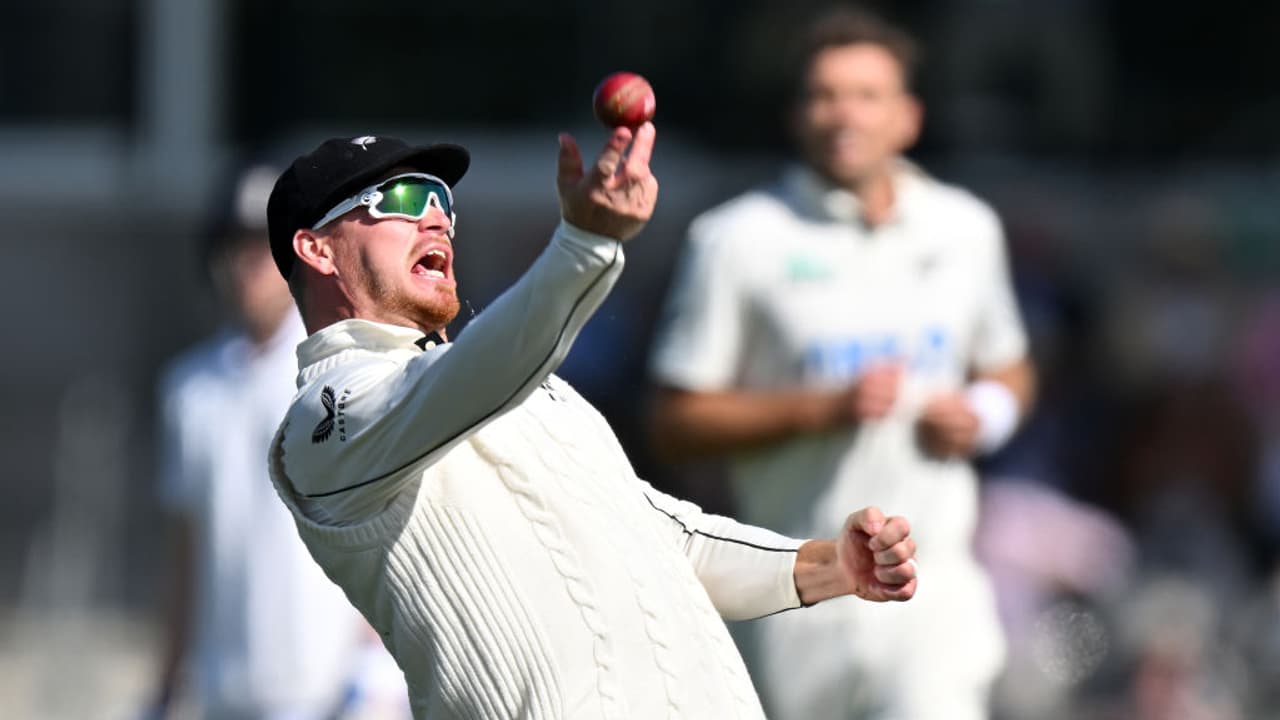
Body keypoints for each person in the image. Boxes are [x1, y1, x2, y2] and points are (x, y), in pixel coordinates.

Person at [261, 125, 919, 719]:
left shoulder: (527, 387)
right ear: (316, 248)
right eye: (401, 201)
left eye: (442, 202)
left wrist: (834, 567)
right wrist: (585, 242)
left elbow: (673, 540)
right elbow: (457, 384)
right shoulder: (322, 426)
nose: (436, 218)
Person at [646, 7, 1035, 720]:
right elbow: (674, 420)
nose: (842, 114)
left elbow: (1010, 367)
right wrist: (817, 409)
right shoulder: (736, 239)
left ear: (908, 117)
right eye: (824, 95)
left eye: (865, 95)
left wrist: (982, 415)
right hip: (798, 586)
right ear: (798, 115)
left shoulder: (964, 228)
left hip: (933, 591)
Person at [150, 166, 409, 720]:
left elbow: (380, 518)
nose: (247, 267)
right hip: (227, 691)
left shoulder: (345, 368)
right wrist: (166, 687)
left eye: (261, 248)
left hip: (332, 690)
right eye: (234, 247)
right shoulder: (189, 390)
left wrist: (378, 661)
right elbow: (187, 547)